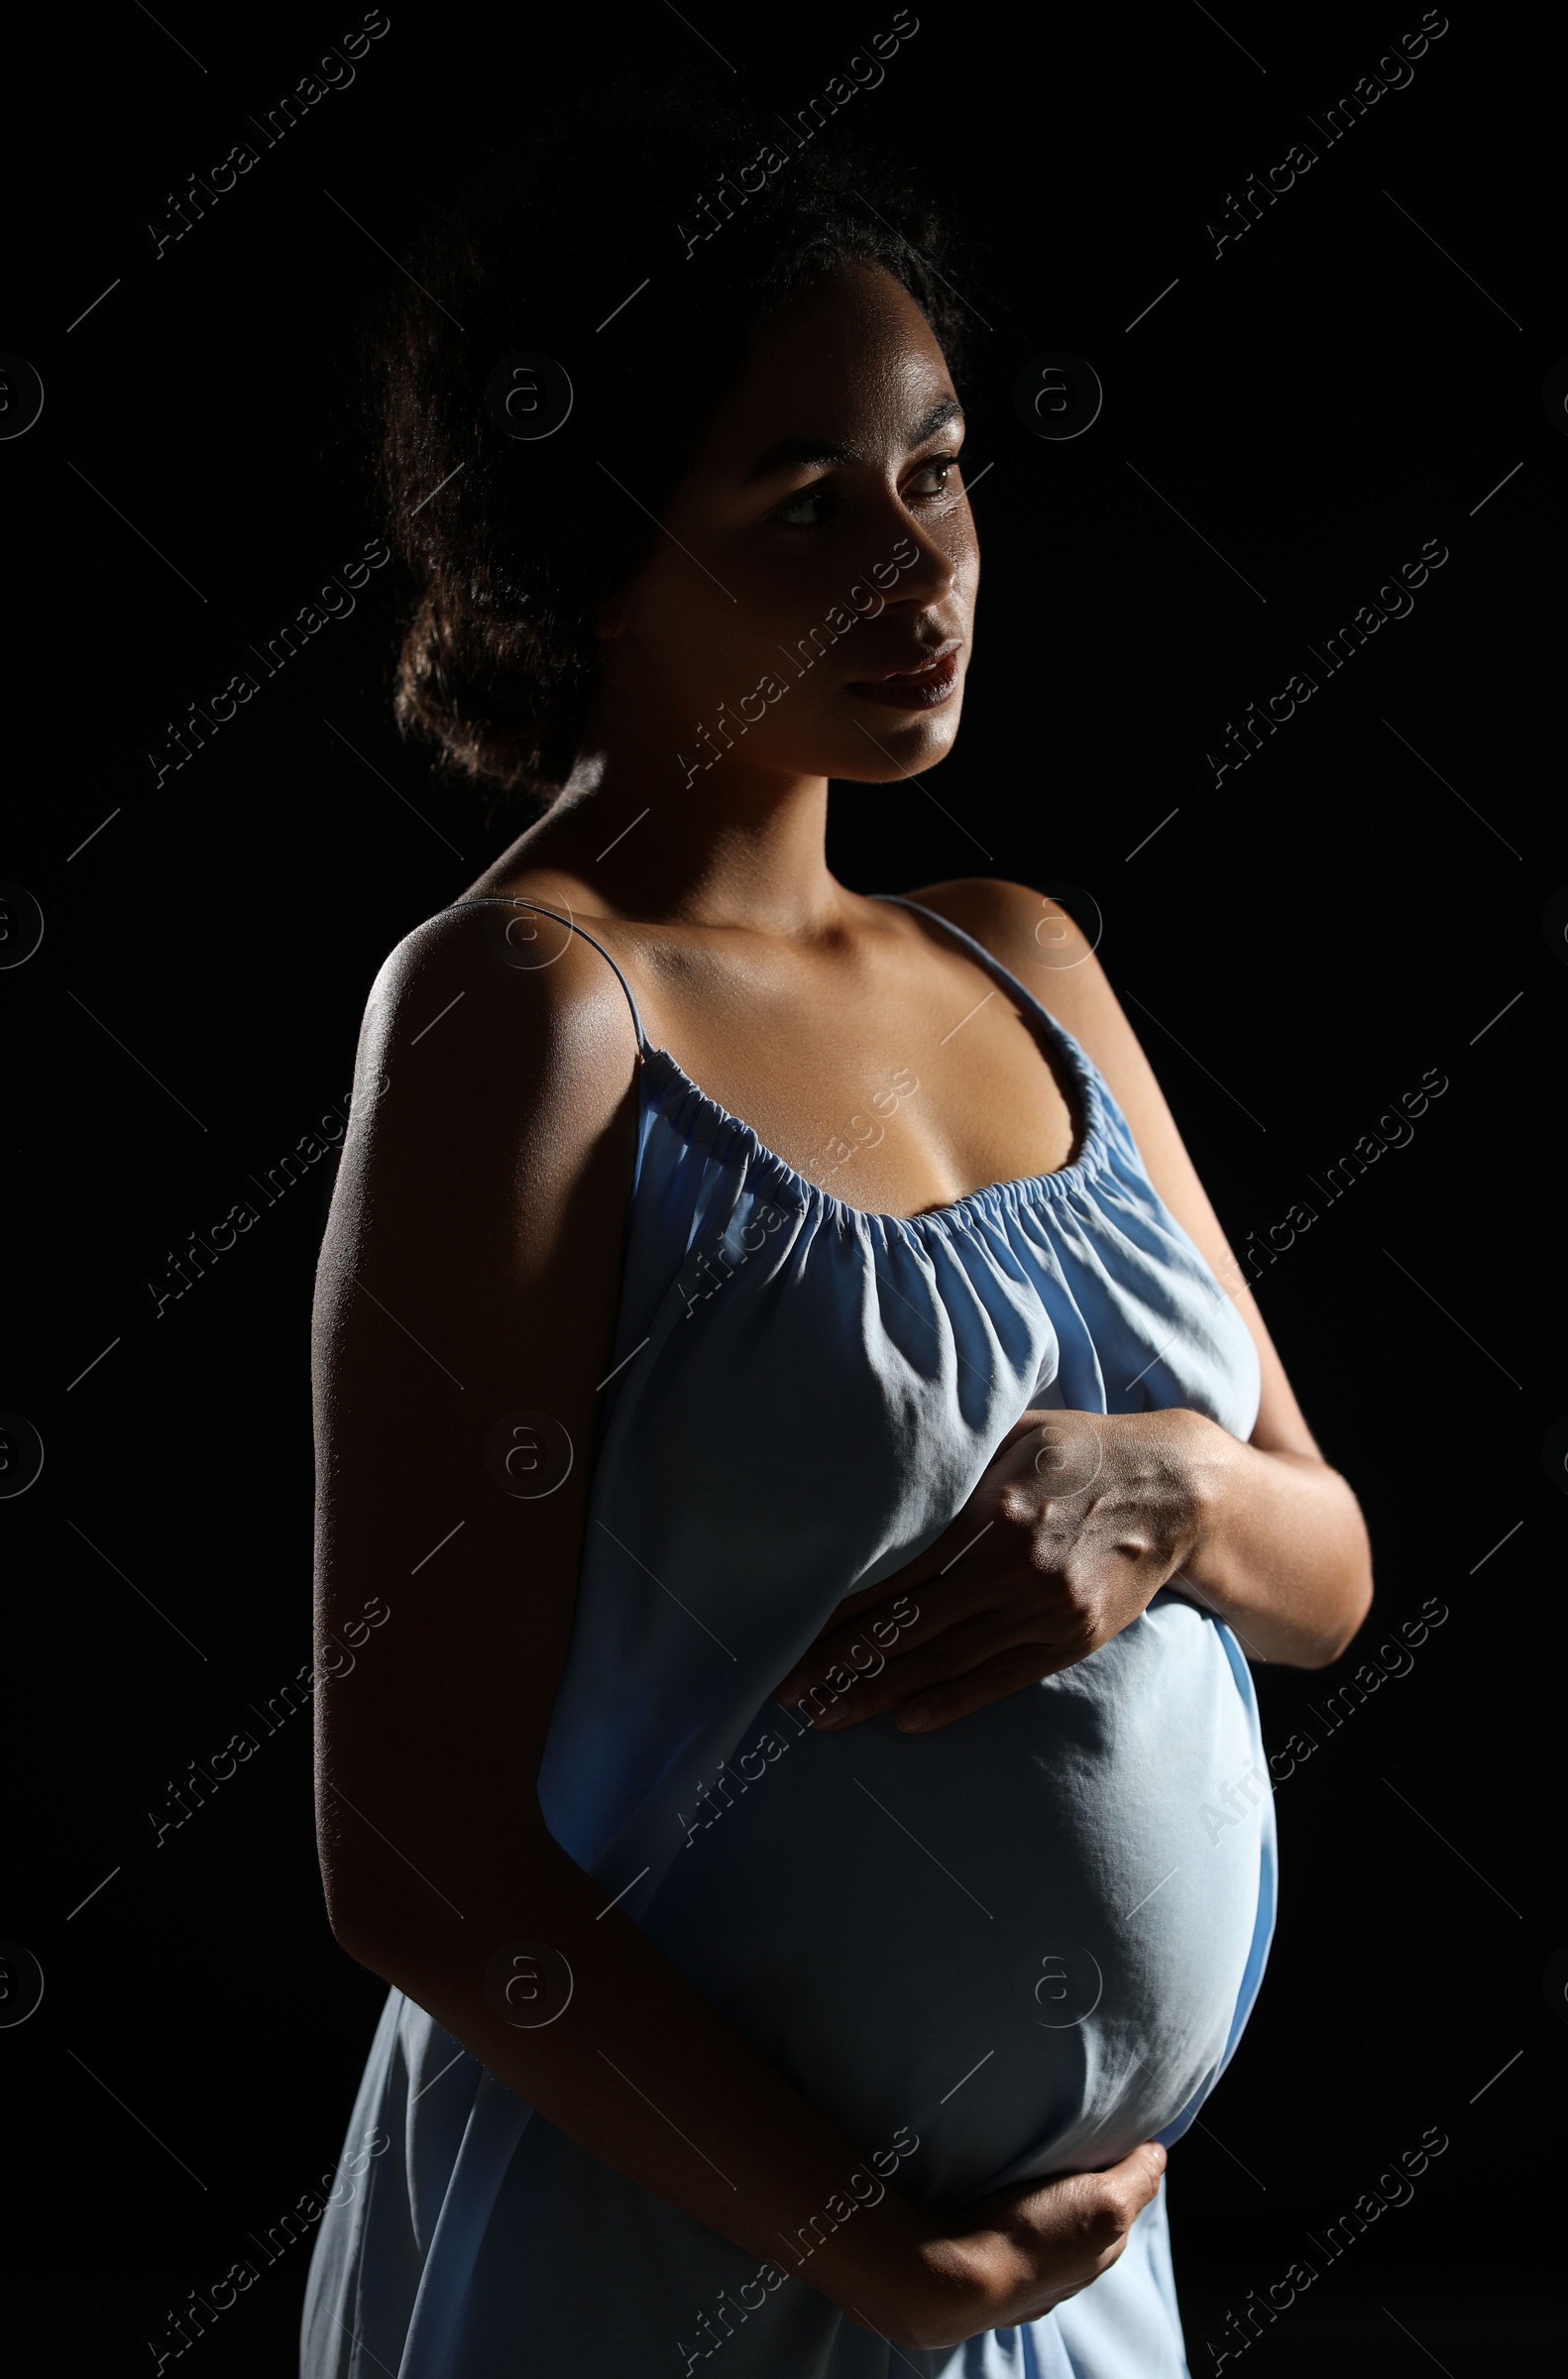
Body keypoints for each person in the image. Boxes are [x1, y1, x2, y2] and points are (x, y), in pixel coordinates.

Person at [301, 81, 1372, 2377]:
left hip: (1053, 2299)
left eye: (939, 469)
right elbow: (405, 1849)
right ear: (584, 550)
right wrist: (871, 2254)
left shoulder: (1021, 961)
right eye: (805, 505)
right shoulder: (528, 1014)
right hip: (679, 2276)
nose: (920, 567)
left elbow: (1329, 1569)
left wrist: (1168, 1498)